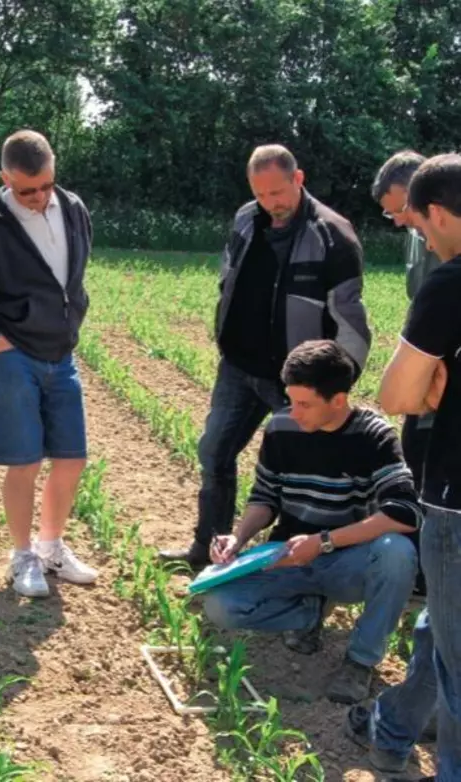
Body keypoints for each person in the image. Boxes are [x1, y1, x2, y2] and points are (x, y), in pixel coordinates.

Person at [160, 144, 371, 569]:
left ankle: (309, 566)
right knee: (215, 454)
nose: (270, 204)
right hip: (240, 368)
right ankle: (208, 550)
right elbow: (228, 278)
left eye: (278, 192)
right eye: (261, 194)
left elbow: (351, 323)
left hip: (298, 383)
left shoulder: (332, 234)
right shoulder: (245, 219)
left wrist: (334, 388)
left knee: (310, 474)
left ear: (299, 179)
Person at [203, 340, 420, 705]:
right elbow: (265, 497)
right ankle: (309, 613)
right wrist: (238, 538)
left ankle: (359, 661)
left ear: (338, 400)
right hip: (286, 554)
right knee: (221, 605)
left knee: (396, 552)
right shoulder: (281, 428)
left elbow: (404, 513)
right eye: (291, 400)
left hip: (346, 560)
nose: (294, 412)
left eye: (305, 404)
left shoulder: (374, 435)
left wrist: (323, 542)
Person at [0, 130, 97, 598]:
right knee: (24, 462)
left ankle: (52, 547)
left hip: (61, 353)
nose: (38, 197)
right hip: (13, 359)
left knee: (72, 459)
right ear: (5, 178)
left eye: (46, 185)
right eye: (27, 189)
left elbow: (74, 277)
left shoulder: (73, 210)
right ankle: (22, 556)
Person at [346, 154, 461, 782]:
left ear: (438, 214)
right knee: (448, 635)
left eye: (418, 223)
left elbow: (394, 396)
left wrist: (433, 388)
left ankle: (395, 733)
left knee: (455, 654)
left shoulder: (450, 282)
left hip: (454, 496)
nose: (418, 233)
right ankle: (393, 732)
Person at [372, 152, 440, 588]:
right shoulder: (418, 235)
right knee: (414, 464)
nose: (397, 220)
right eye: (389, 212)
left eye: (401, 209)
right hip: (425, 376)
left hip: (443, 381)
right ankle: (421, 569)